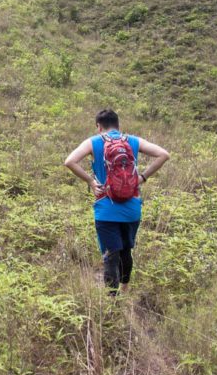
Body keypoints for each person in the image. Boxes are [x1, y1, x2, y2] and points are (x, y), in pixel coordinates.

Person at [63, 109, 169, 295]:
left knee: (111, 254)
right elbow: (163, 154)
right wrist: (142, 177)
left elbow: (70, 161)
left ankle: (112, 299)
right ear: (118, 125)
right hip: (132, 207)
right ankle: (125, 289)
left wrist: (90, 181)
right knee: (126, 251)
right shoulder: (133, 141)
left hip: (106, 208)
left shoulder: (93, 142)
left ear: (99, 126)